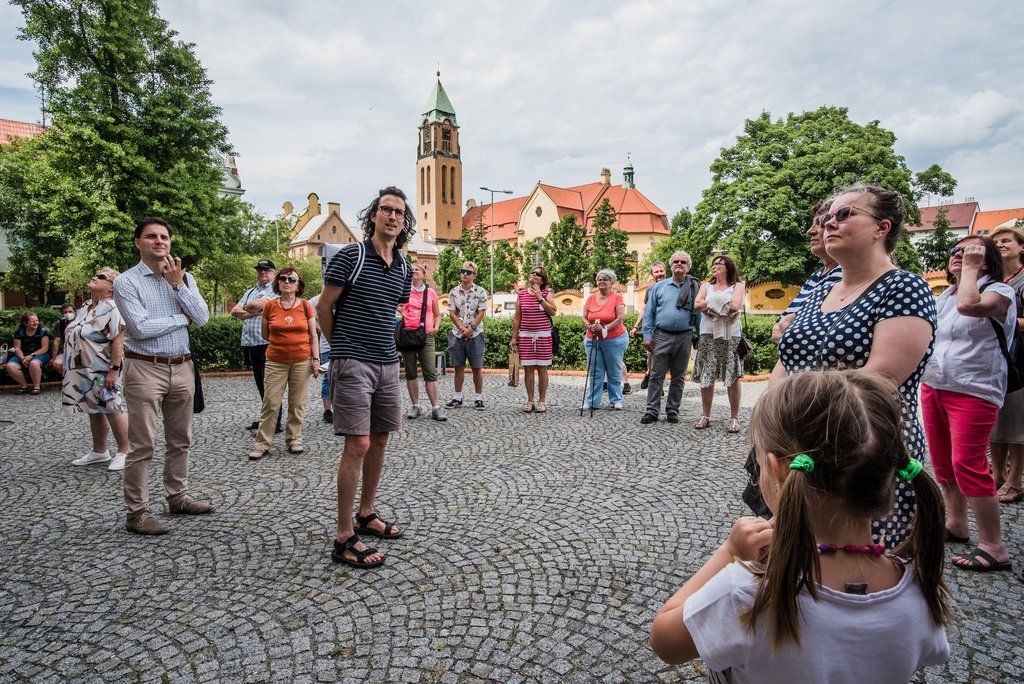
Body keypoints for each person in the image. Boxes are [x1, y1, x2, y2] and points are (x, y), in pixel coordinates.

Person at [650, 370, 950, 681]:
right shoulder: (921, 589)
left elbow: (664, 641)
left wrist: (729, 553)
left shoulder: (748, 593)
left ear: (778, 471)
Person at [772, 184, 937, 548]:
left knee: (859, 559)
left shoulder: (904, 288)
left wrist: (794, 410)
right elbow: (786, 360)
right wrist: (772, 422)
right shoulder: (820, 291)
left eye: (844, 214)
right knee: (803, 556)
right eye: (827, 217)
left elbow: (880, 378)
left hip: (864, 448)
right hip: (802, 441)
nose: (828, 223)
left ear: (882, 228)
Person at [316, 186, 414, 569]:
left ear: (404, 222)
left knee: (380, 440)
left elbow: (391, 310)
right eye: (386, 209)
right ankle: (344, 536)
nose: (393, 216)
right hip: (353, 362)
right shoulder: (351, 256)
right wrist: (341, 347)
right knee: (357, 443)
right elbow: (324, 307)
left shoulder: (403, 268)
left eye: (399, 212)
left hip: (387, 363)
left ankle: (366, 513)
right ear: (374, 215)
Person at [920, 236, 1015, 572]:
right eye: (956, 251)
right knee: (943, 462)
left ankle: (993, 545)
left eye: (971, 252)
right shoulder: (945, 296)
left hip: (975, 389)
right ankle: (957, 523)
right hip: (936, 385)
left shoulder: (1000, 292)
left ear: (987, 260)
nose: (960, 255)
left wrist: (972, 270)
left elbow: (970, 306)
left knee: (968, 463)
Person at [114, 217, 211, 535]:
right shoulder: (127, 282)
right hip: (145, 368)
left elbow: (202, 318)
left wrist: (177, 286)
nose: (159, 241)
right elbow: (140, 328)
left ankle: (177, 498)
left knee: (181, 440)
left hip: (182, 366)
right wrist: (180, 318)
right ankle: (137, 513)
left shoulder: (185, 278)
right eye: (151, 236)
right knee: (142, 445)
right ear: (138, 243)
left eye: (164, 237)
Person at [247, 267, 319, 460]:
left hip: (302, 361)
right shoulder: (270, 306)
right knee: (270, 402)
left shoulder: (306, 306)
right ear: (278, 283)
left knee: (297, 403)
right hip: (275, 361)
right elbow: (265, 334)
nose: (287, 282)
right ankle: (262, 443)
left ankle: (294, 439)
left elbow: (313, 335)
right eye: (283, 278)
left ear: (298, 285)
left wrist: (315, 359)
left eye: (292, 279)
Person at [63, 268, 131, 471]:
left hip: (103, 367)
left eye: (102, 277)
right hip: (82, 368)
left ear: (112, 287)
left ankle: (126, 451)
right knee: (93, 406)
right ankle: (100, 451)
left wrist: (114, 369)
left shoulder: (113, 307)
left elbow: (118, 339)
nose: (95, 277)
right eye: (96, 274)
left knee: (112, 405)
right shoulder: (86, 306)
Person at [640, 251, 699, 425]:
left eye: (683, 262)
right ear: (671, 265)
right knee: (656, 375)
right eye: (676, 261)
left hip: (685, 336)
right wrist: (647, 336)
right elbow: (649, 313)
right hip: (661, 335)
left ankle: (672, 410)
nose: (679, 264)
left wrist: (699, 336)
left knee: (678, 377)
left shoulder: (695, 288)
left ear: (688, 267)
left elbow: (699, 314)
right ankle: (651, 411)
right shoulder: (659, 287)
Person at [772, 199, 843, 343]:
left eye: (820, 223)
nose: (810, 231)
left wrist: (789, 328)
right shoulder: (816, 276)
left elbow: (809, 330)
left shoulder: (847, 273)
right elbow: (780, 327)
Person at [989, 226, 1024, 504]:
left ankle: (1015, 480)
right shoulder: (994, 279)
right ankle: (997, 473)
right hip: (994, 358)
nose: (1000, 244)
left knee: (1015, 422)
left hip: (1019, 360)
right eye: (996, 241)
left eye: (1006, 240)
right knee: (994, 420)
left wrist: (1004, 318)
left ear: (1021, 247)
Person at [693, 255, 746, 433]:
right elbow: (696, 305)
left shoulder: (737, 286)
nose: (714, 266)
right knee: (707, 374)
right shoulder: (706, 286)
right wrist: (722, 304)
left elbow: (735, 306)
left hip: (731, 335)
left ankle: (734, 418)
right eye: (713, 264)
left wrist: (709, 306)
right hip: (707, 334)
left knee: (732, 375)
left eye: (719, 264)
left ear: (728, 267)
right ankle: (705, 416)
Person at [231, 259, 281, 432]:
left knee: (271, 385)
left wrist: (252, 308)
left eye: (266, 270)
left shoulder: (275, 290)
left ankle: (274, 422)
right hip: (251, 343)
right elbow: (234, 311)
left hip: (267, 343)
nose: (262, 273)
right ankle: (267, 418)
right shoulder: (251, 291)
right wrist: (256, 312)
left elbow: (255, 305)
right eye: (260, 270)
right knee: (261, 384)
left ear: (274, 273)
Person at [402, 263, 446, 421]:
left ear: (424, 275)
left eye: (417, 269)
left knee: (429, 372)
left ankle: (436, 407)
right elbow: (395, 305)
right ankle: (416, 406)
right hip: (408, 334)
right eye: (412, 269)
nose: (414, 271)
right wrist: (403, 312)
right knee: (411, 372)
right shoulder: (404, 290)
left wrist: (436, 327)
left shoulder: (430, 292)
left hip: (426, 335)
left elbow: (437, 314)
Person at [511, 265, 556, 412]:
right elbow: (517, 317)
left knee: (542, 369)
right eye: (532, 272)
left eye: (536, 274)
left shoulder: (547, 293)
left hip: (543, 336)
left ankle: (542, 401)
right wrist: (514, 337)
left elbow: (553, 311)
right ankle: (530, 401)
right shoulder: (522, 294)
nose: (533, 274)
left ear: (542, 280)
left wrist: (540, 298)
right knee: (528, 369)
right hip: (526, 336)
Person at [582, 269, 628, 409]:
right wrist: (589, 326)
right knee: (595, 371)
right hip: (592, 338)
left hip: (614, 339)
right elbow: (584, 317)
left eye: (605, 279)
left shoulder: (617, 298)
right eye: (599, 279)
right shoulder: (590, 298)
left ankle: (616, 400)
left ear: (611, 282)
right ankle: (592, 402)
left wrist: (605, 328)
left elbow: (621, 318)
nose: (601, 281)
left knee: (613, 370)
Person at [445, 261, 488, 409]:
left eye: (468, 272)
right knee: (458, 367)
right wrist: (462, 328)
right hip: (457, 334)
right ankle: (457, 397)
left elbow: (481, 312)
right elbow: (452, 312)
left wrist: (471, 329)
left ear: (474, 275)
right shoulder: (453, 292)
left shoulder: (480, 291)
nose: (465, 274)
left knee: (477, 367)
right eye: (463, 271)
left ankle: (478, 398)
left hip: (476, 334)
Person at [631, 261, 667, 390]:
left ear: (665, 271)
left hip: (667, 328)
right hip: (653, 328)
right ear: (652, 274)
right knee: (652, 355)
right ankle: (652, 377)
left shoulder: (672, 286)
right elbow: (645, 309)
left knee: (664, 356)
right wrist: (636, 326)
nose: (659, 274)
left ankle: (652, 377)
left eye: (661, 271)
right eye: (656, 272)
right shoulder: (650, 289)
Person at [5, 312, 51, 394]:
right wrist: (22, 358)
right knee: (10, 366)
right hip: (23, 354)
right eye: (32, 321)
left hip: (40, 354)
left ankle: (36, 387)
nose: (35, 323)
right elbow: (17, 347)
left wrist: (31, 356)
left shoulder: (42, 331)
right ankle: (24, 386)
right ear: (25, 323)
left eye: (36, 320)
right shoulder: (20, 332)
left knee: (34, 364)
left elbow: (44, 348)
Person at [309, 292, 334, 424]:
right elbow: (309, 318)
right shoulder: (315, 300)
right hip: (326, 347)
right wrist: (321, 326)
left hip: (347, 345)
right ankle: (327, 410)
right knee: (328, 378)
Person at [50, 303, 77, 376]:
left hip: (80, 350)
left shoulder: (81, 322)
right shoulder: (60, 324)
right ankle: (68, 378)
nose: (68, 314)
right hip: (65, 351)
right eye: (65, 312)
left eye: (70, 311)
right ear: (62, 314)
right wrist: (53, 357)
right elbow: (56, 341)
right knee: (56, 364)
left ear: (75, 312)